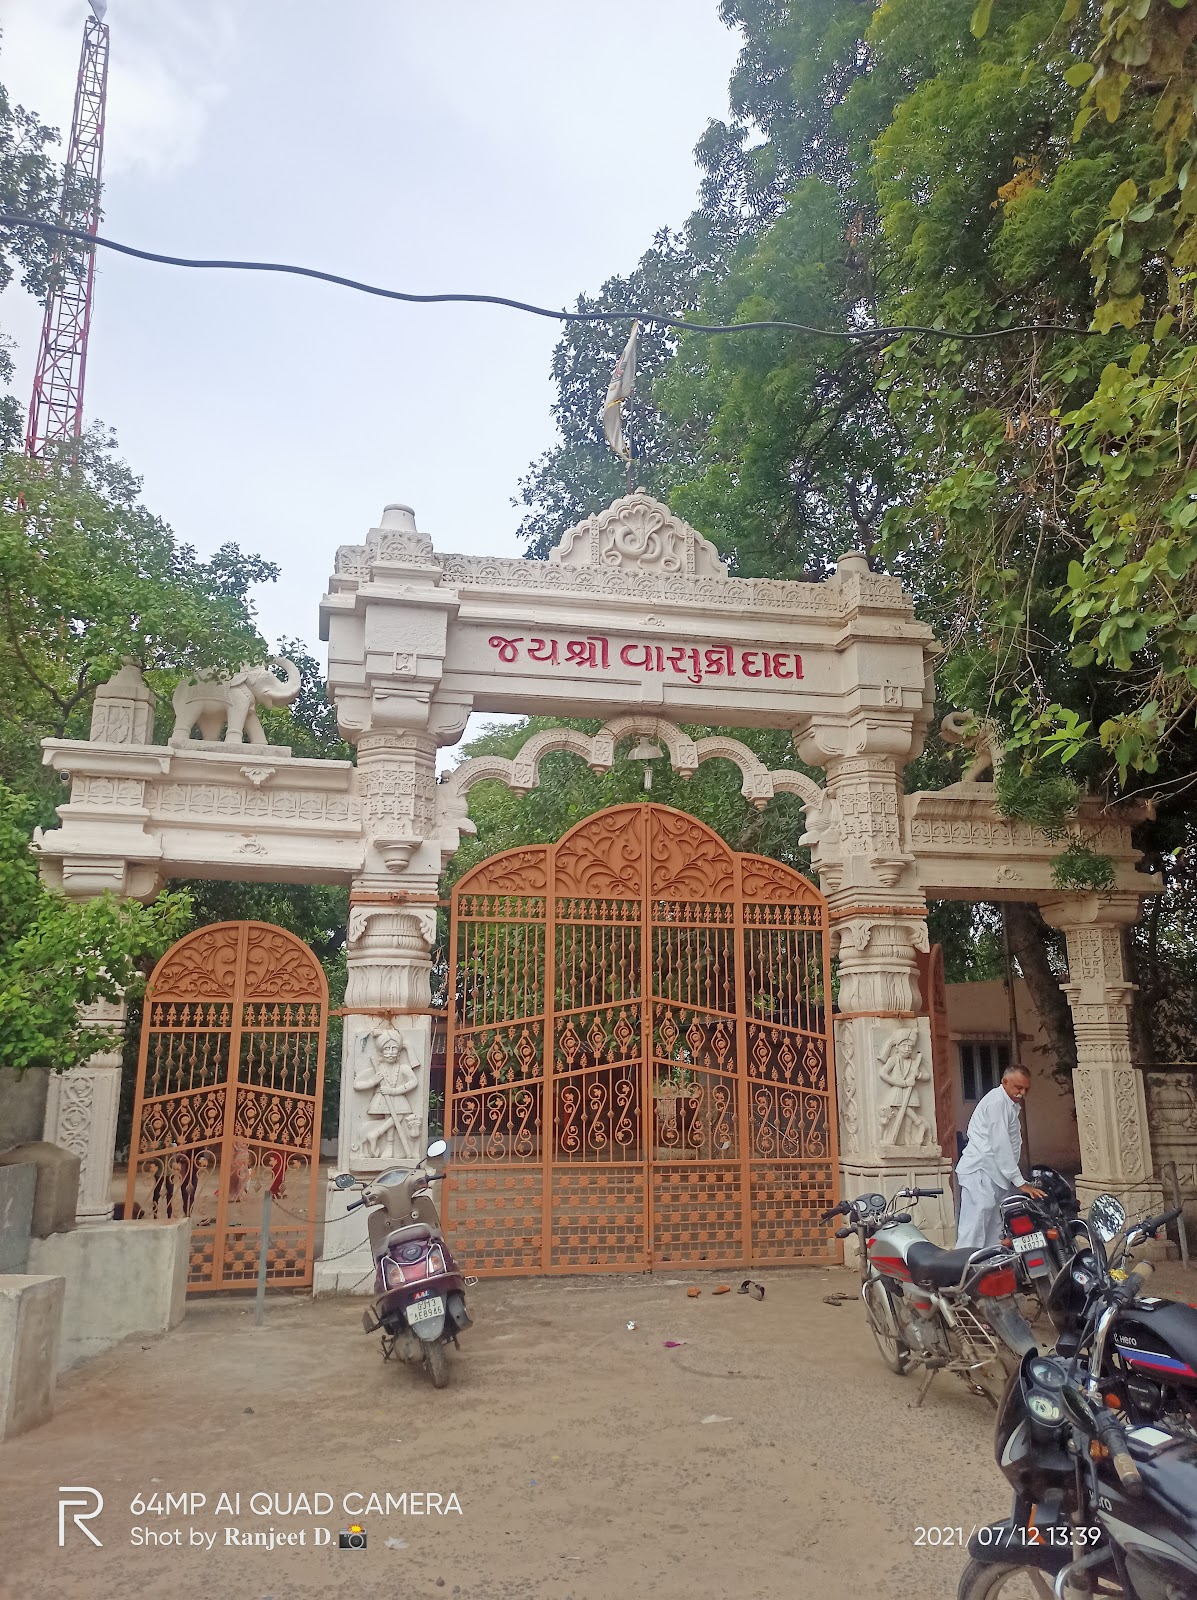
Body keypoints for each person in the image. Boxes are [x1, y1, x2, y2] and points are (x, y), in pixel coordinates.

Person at [955, 1063, 1045, 1251]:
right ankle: (963, 1271)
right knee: (976, 1225)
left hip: (997, 1174)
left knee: (996, 1225)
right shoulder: (997, 1102)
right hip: (981, 1169)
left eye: (1026, 1089)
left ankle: (991, 1269)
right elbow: (1000, 1145)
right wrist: (1020, 1182)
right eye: (1018, 1087)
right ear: (1004, 1082)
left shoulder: (1008, 1104)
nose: (1022, 1093)